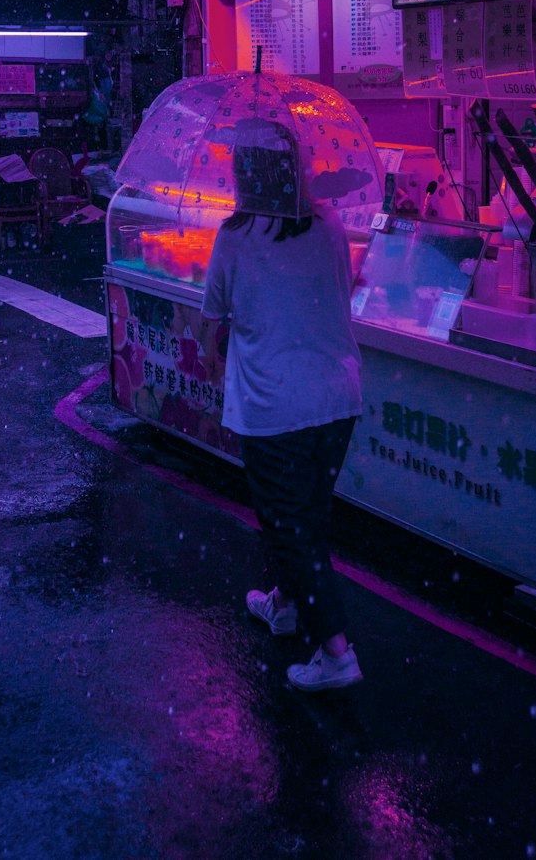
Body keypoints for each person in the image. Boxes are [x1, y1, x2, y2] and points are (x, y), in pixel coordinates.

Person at [201, 128, 364, 693]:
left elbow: (216, 312)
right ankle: (286, 605)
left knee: (290, 527)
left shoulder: (236, 235)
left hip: (274, 406)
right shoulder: (331, 225)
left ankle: (337, 653)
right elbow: (342, 293)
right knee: (308, 517)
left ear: (245, 175)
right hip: (336, 398)